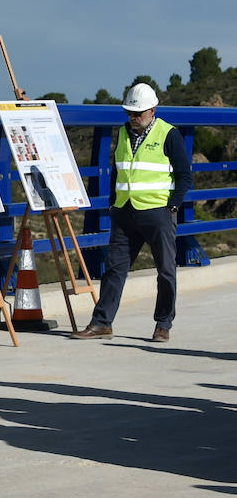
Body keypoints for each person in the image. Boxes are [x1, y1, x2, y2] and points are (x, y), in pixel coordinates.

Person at [73, 83, 191, 343]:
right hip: (125, 212)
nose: (133, 118)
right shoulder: (123, 133)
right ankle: (102, 322)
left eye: (138, 113)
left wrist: (172, 206)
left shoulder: (168, 134)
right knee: (114, 269)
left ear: (153, 110)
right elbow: (118, 170)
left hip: (158, 211)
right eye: (129, 113)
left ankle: (163, 324)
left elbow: (184, 175)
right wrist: (114, 203)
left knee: (166, 271)